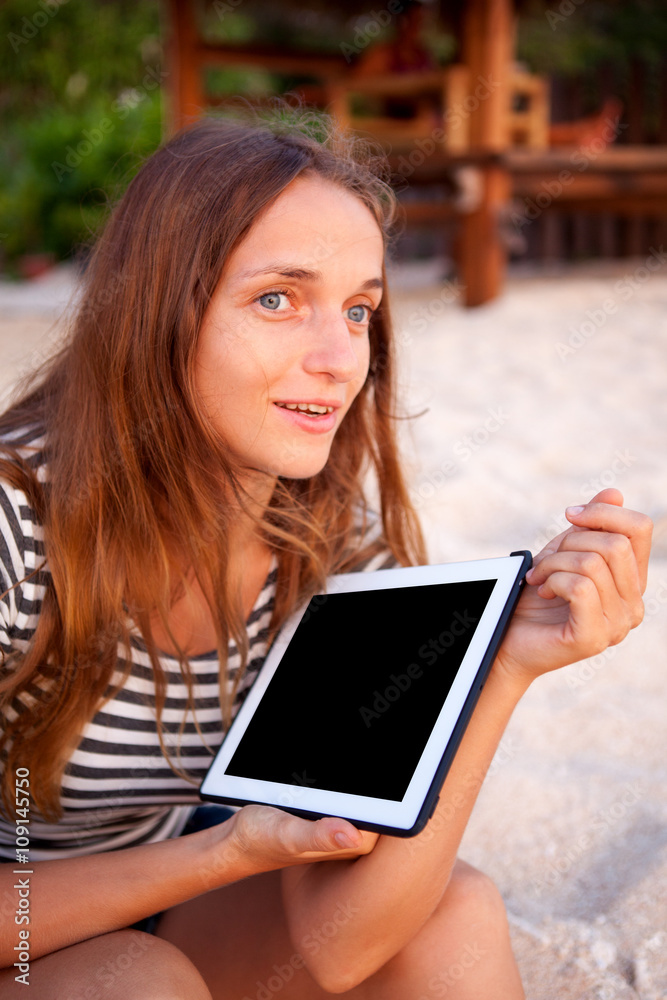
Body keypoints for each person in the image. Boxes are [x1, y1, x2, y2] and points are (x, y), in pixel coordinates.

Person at [0, 109, 652, 999]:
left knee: (453, 914)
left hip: (167, 887)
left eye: (358, 310)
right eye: (278, 299)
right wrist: (224, 852)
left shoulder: (329, 545)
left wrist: (502, 670)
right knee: (136, 978)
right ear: (157, 310)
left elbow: (341, 946)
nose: (340, 357)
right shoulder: (17, 524)